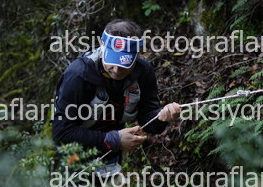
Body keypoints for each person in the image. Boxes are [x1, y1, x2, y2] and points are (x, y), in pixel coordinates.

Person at [52, 19, 181, 171]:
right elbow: (61, 133)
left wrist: (162, 116)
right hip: (73, 156)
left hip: (111, 155)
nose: (117, 70)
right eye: (112, 60)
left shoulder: (143, 72)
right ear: (102, 47)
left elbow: (148, 119)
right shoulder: (78, 75)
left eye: (124, 63)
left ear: (137, 55)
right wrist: (113, 140)